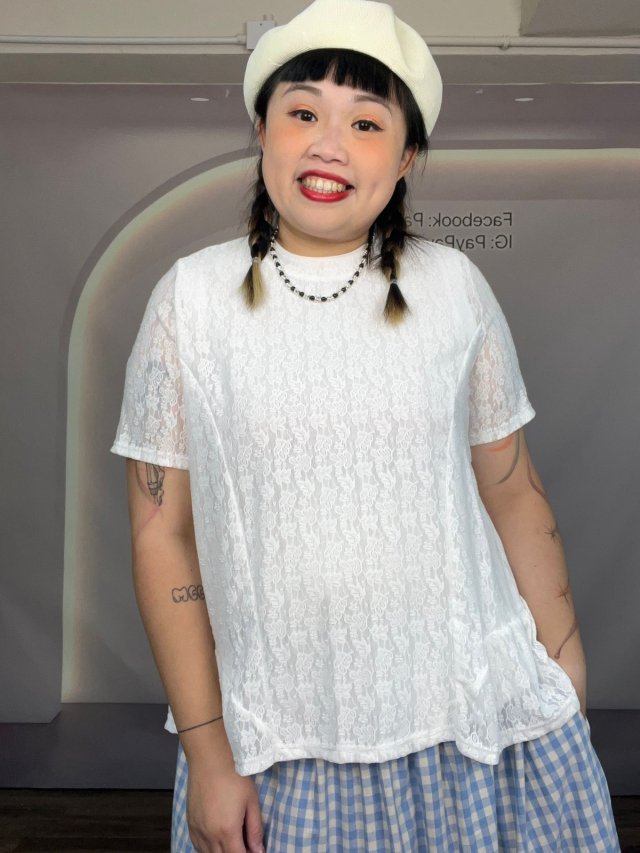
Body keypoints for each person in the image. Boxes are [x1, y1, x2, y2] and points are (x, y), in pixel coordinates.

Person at [111, 0, 621, 850]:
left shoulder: (454, 288)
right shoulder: (189, 301)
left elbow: (513, 489)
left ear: (407, 154)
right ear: (263, 130)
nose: (329, 145)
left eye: (367, 123)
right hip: (277, 742)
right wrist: (209, 755)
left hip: (476, 725)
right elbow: (161, 533)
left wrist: (566, 672)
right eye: (302, 112)